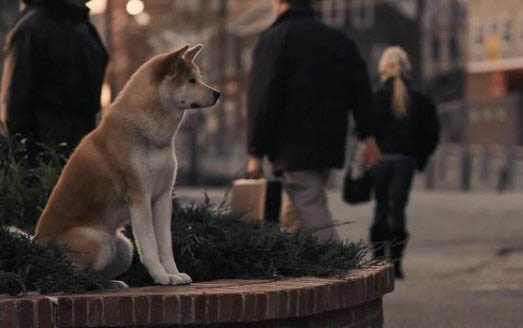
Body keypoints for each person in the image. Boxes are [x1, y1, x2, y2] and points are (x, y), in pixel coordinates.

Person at [246, 0, 380, 242]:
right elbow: (361, 91)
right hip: (329, 143)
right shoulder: (339, 40)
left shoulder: (275, 39)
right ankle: (300, 268)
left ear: (279, 3)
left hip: (292, 145)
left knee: (308, 201)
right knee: (296, 210)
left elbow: (263, 97)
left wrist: (256, 151)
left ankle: (339, 264)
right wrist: (368, 136)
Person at [0, 0, 108, 160]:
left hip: (80, 157)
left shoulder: (84, 28)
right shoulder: (32, 28)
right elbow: (15, 109)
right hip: (46, 161)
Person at [370, 46, 440, 279]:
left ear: (383, 68)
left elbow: (362, 128)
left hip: (380, 161)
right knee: (397, 209)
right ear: (407, 68)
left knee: (381, 207)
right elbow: (432, 133)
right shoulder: (421, 101)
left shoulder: (376, 98)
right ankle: (396, 263)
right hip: (405, 161)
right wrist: (420, 158)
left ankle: (378, 260)